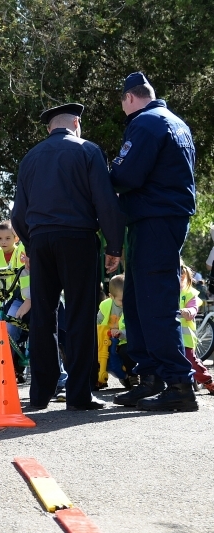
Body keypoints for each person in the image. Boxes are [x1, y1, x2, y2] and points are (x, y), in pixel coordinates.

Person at [11, 102, 124, 410]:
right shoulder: (88, 151)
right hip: (78, 239)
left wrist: (31, 245)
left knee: (43, 316)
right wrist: (114, 246)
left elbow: (18, 213)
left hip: (41, 241)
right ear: (76, 123)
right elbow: (104, 201)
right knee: (80, 314)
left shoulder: (30, 157)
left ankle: (40, 393)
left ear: (50, 128)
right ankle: (79, 393)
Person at [109, 72, 198, 411]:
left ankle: (178, 383)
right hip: (158, 219)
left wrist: (100, 179)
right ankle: (149, 377)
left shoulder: (145, 123)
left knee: (154, 301)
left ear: (129, 98)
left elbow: (126, 175)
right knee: (135, 299)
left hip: (155, 221)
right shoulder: (175, 123)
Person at [96, 274, 138, 390]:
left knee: (128, 352)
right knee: (95, 352)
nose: (125, 302)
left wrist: (121, 332)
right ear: (111, 296)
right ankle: (97, 376)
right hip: (106, 340)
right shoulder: (105, 305)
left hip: (124, 339)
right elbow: (98, 321)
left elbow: (133, 327)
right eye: (121, 300)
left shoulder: (131, 306)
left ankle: (133, 376)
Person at [179, 263, 214, 394]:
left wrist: (188, 311)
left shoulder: (189, 293)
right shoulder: (165, 293)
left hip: (185, 338)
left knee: (190, 360)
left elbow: (193, 307)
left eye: (181, 278)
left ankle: (207, 381)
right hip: (167, 336)